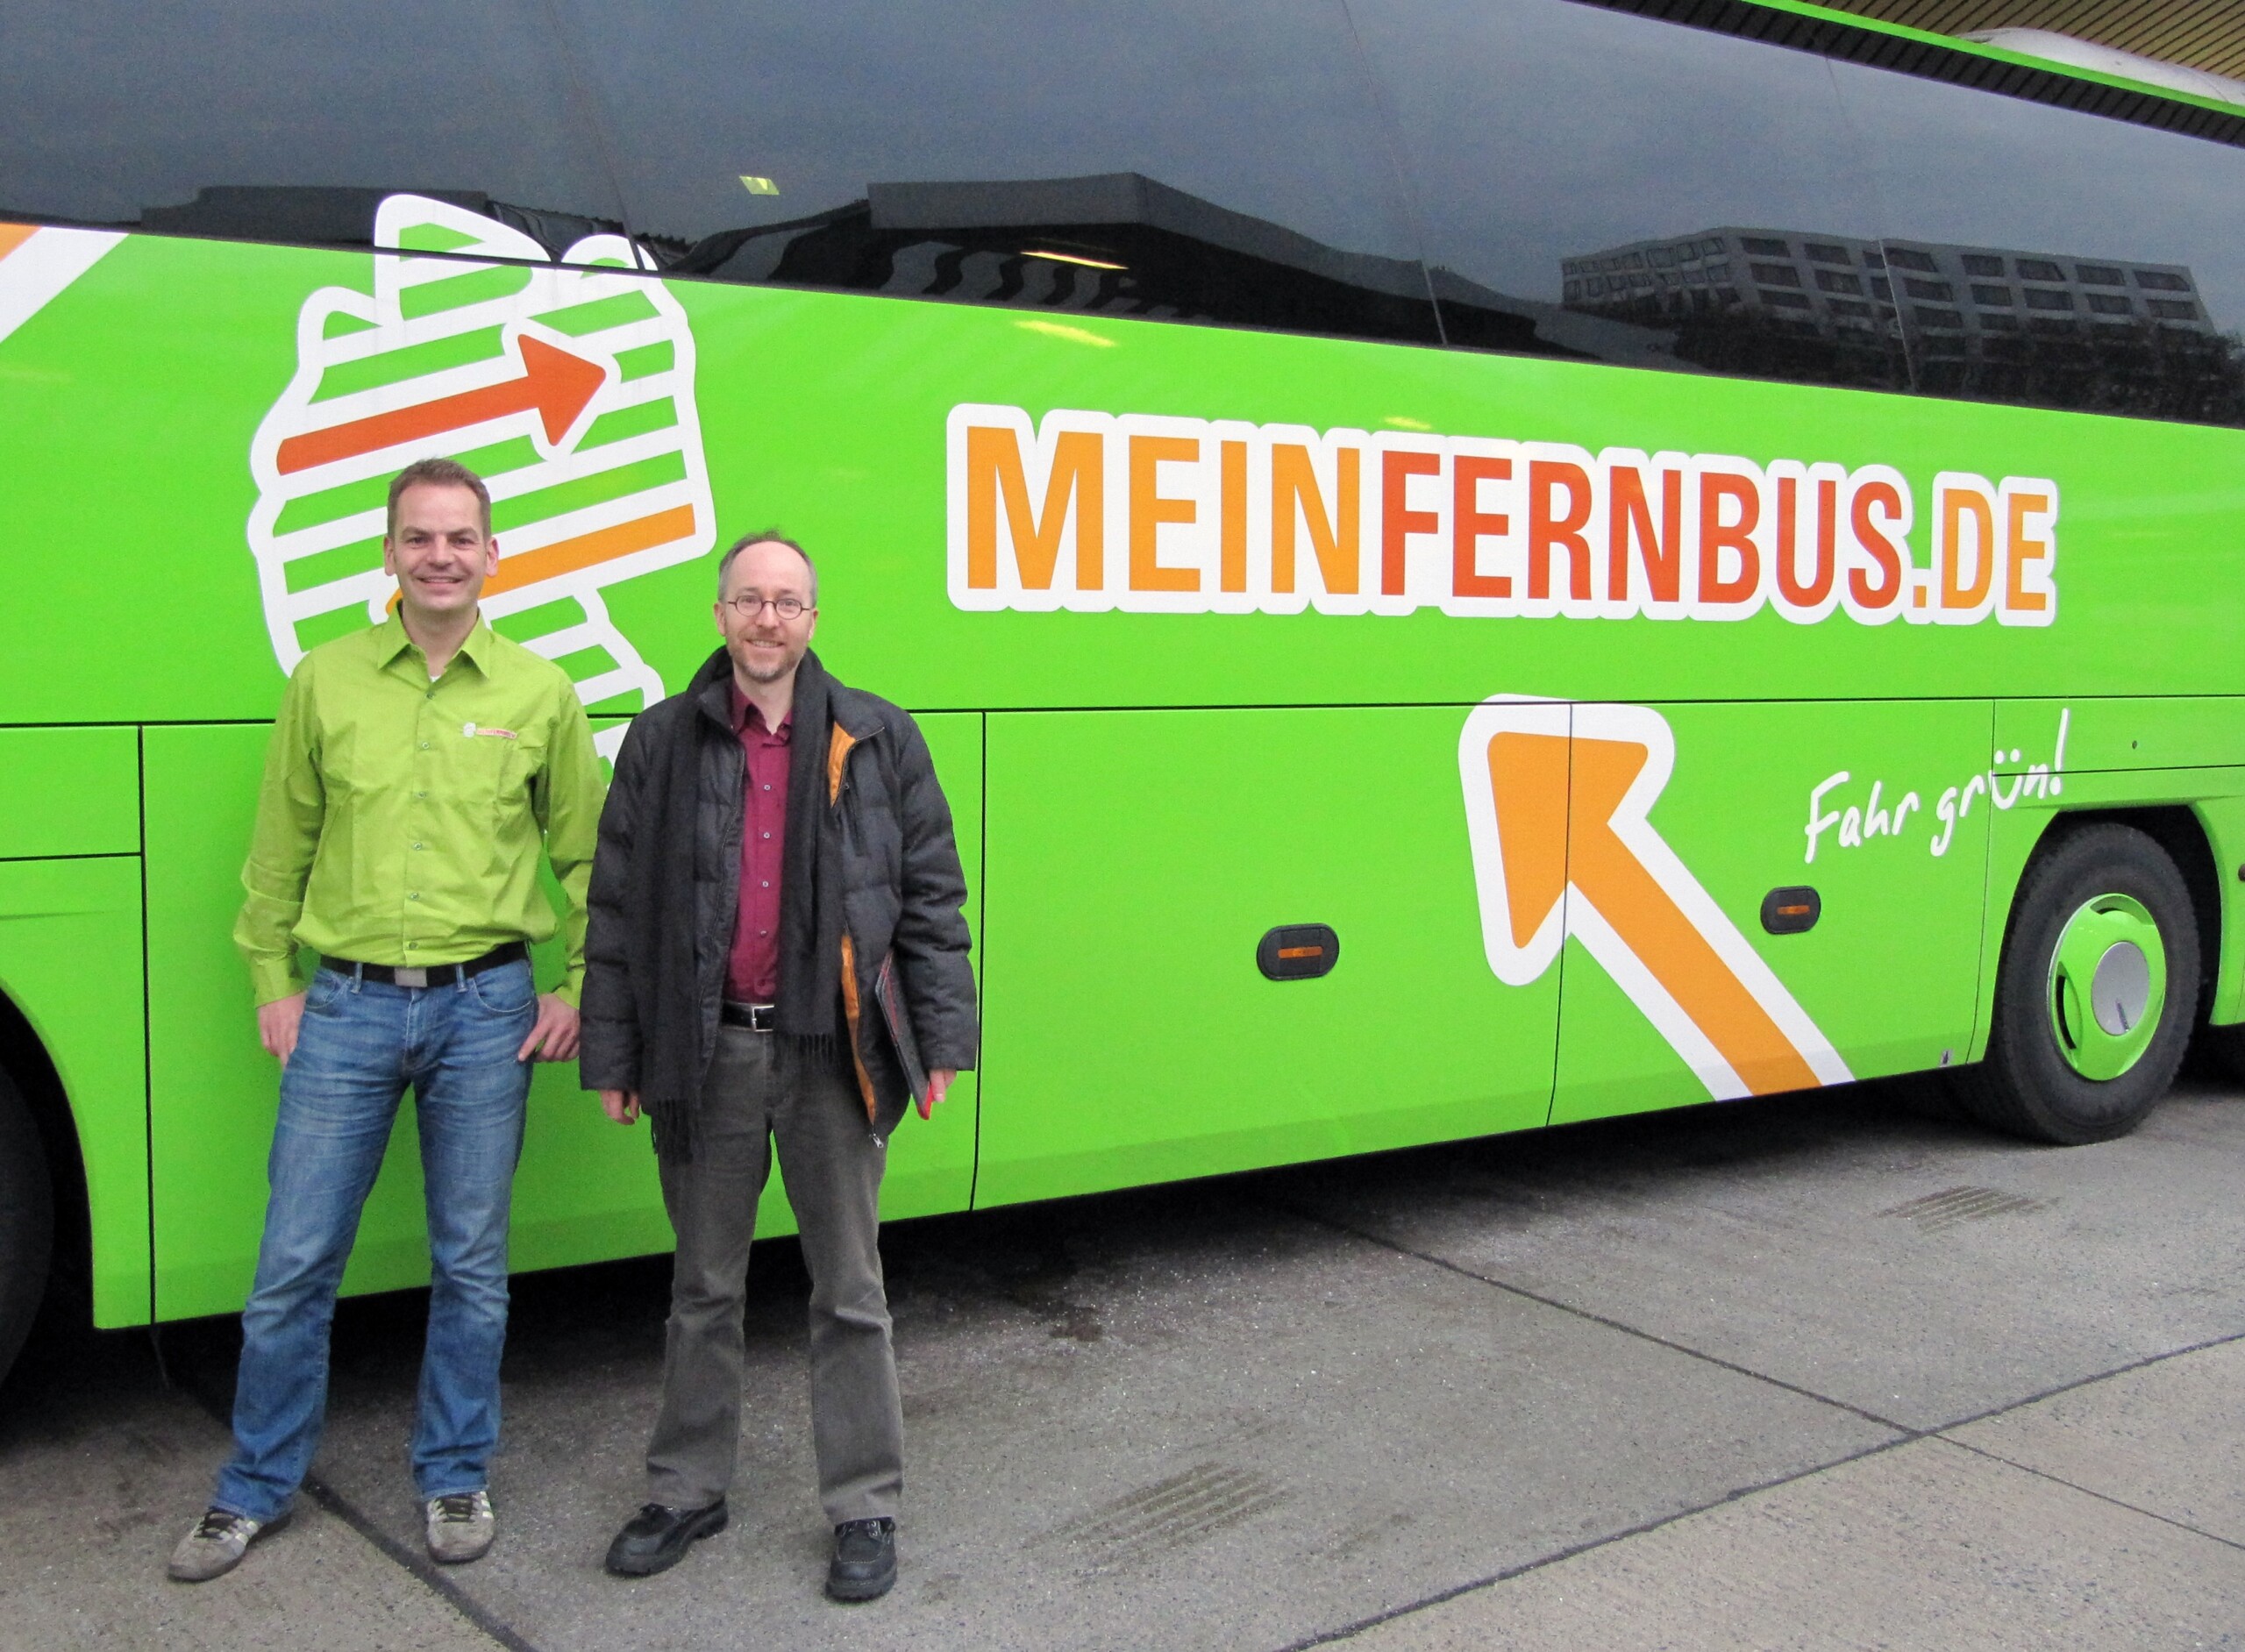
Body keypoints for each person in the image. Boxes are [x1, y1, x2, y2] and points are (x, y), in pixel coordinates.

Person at [168, 458, 603, 1583]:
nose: (442, 556)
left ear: (494, 554)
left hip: (485, 1009)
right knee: (294, 1261)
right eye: (420, 537)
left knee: (471, 1262)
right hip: (348, 1008)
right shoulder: (325, 681)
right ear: (389, 554)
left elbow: (591, 856)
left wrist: (579, 985)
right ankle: (253, 1487)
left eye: (462, 537)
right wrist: (273, 978)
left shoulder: (540, 695)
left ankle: (455, 1473)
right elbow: (282, 844)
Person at [581, 531, 978, 1601]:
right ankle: (686, 1487)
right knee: (702, 1285)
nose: (767, 619)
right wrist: (616, 1050)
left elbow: (931, 900)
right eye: (748, 600)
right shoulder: (660, 741)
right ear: (718, 615)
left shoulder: (875, 735)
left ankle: (863, 1508)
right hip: (703, 1051)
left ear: (813, 619)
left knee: (849, 1289)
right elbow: (615, 910)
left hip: (832, 1050)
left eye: (788, 603)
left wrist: (938, 1042)